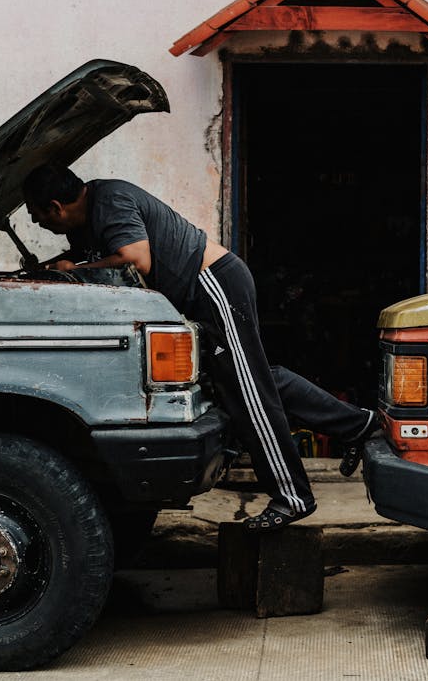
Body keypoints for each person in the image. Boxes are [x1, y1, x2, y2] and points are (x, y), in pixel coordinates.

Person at [22, 164, 377, 531]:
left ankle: (293, 496)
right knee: (256, 380)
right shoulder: (86, 225)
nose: (38, 225)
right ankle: (358, 425)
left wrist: (74, 267)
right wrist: (53, 268)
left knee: (246, 391)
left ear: (55, 206)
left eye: (37, 217)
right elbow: (100, 265)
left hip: (213, 283)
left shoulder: (109, 200)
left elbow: (136, 259)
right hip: (198, 293)